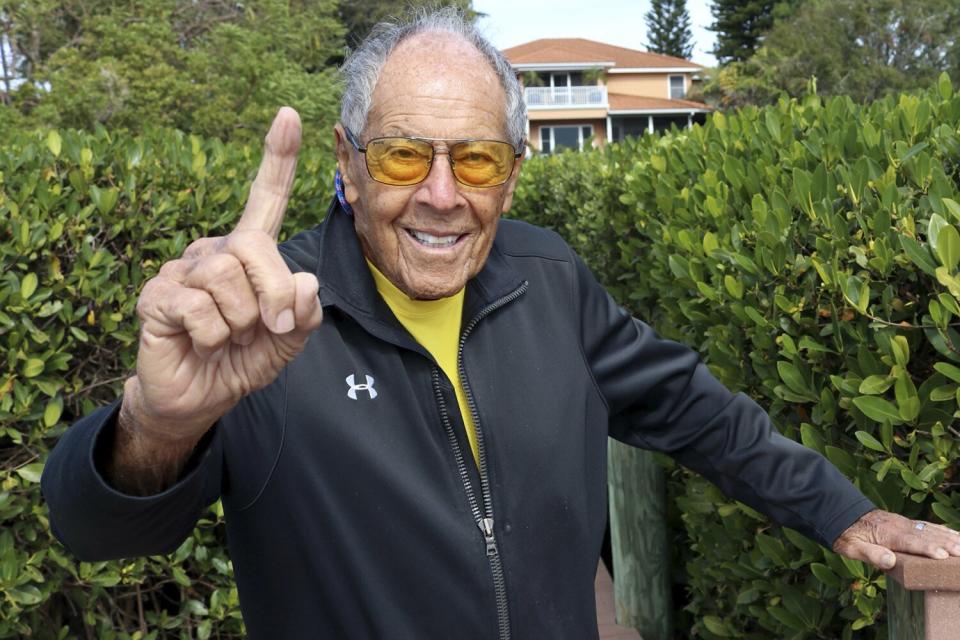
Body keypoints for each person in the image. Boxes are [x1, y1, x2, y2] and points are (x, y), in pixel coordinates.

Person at [42, 8, 960, 640]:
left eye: (476, 160)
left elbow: (698, 412)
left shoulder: (547, 278)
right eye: (405, 155)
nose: (442, 197)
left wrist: (844, 512)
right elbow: (94, 532)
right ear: (348, 164)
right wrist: (157, 427)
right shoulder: (267, 317)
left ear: (513, 171)